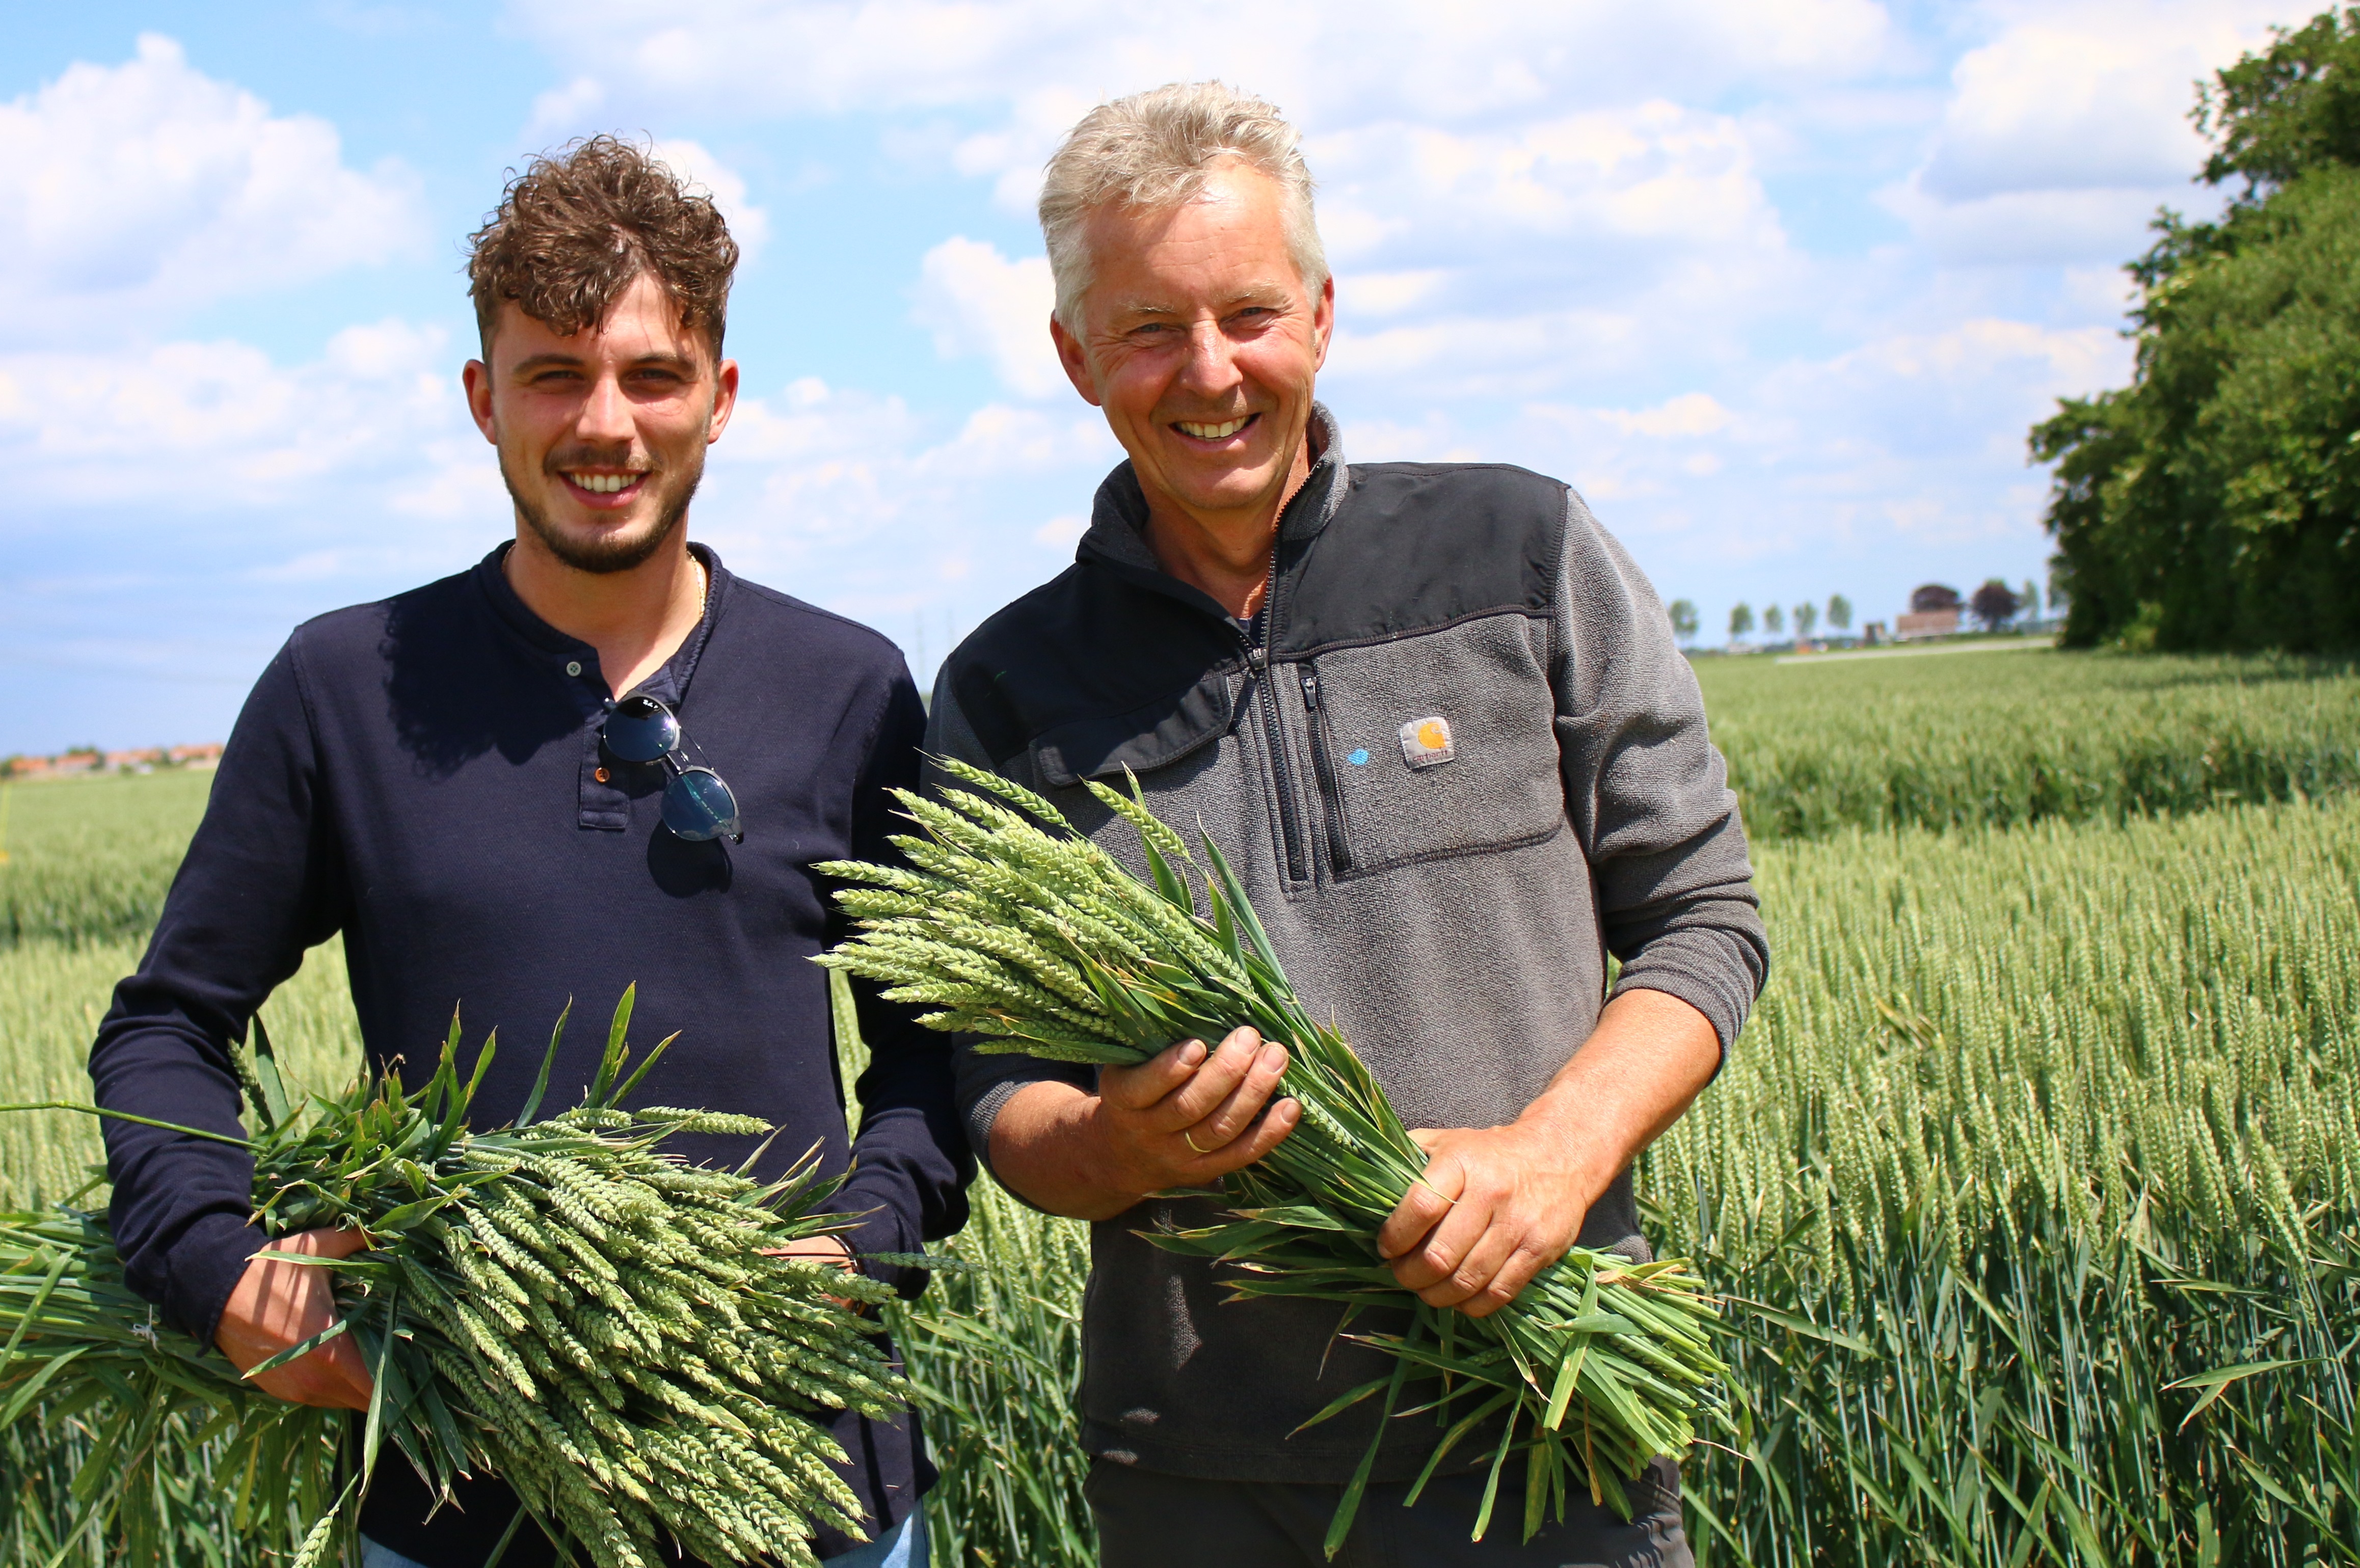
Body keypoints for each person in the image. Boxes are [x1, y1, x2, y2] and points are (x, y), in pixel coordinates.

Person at [88, 136, 970, 1568]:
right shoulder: (341, 688)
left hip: (814, 1494)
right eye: (555, 375)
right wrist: (215, 1263)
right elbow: (169, 1024)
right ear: (481, 398)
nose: (605, 425)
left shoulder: (850, 690)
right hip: (461, 1504)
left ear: (721, 397)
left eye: (652, 376)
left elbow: (933, 1052)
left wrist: (860, 1238)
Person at [932, 85, 1767, 1567]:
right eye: (1149, 329)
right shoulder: (1007, 691)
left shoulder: (1523, 552)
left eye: (1250, 314)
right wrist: (1120, 1146)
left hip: (1547, 1426)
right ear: (1076, 357)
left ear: (1321, 315)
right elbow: (998, 1100)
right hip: (1205, 1484)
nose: (1211, 372)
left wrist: (1553, 1156)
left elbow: (1702, 917)